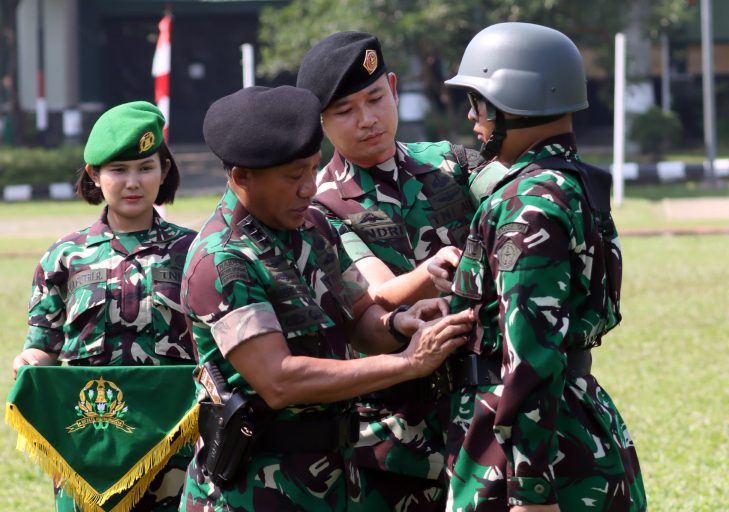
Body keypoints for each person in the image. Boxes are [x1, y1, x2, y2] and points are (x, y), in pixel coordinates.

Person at [178, 85, 474, 511]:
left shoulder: (313, 225)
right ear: (242, 177)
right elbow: (280, 380)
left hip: (338, 477)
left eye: (313, 170)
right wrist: (409, 362)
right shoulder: (221, 259)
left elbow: (358, 316)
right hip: (256, 489)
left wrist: (399, 325)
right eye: (293, 176)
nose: (307, 188)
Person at [438, 22, 647, 511]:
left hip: (526, 456)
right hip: (578, 422)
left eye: (480, 103)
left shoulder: (527, 202)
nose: (473, 119)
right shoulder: (575, 184)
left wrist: (530, 489)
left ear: (514, 101)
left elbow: (529, 352)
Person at [296, 31, 484, 511]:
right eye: (345, 111)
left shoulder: (451, 163)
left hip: (481, 409)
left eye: (376, 98)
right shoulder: (321, 204)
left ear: (394, 88)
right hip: (394, 434)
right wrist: (432, 271)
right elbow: (377, 292)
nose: (367, 120)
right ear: (321, 122)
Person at [11, 101, 198, 511]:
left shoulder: (193, 251)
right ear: (95, 176)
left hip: (174, 439)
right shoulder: (64, 257)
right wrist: (29, 361)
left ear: (164, 171)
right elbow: (44, 344)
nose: (133, 182)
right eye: (118, 170)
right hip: (90, 439)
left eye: (146, 167)